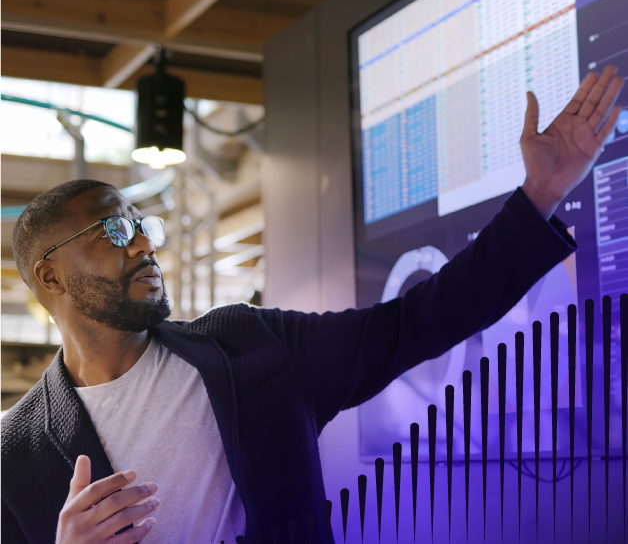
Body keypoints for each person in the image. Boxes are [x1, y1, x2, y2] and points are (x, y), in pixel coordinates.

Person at [0, 66, 623, 544]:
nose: (141, 242)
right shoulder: (14, 454)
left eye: (143, 225)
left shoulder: (252, 347)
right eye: (113, 232)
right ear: (49, 276)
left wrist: (539, 194)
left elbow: (420, 321)